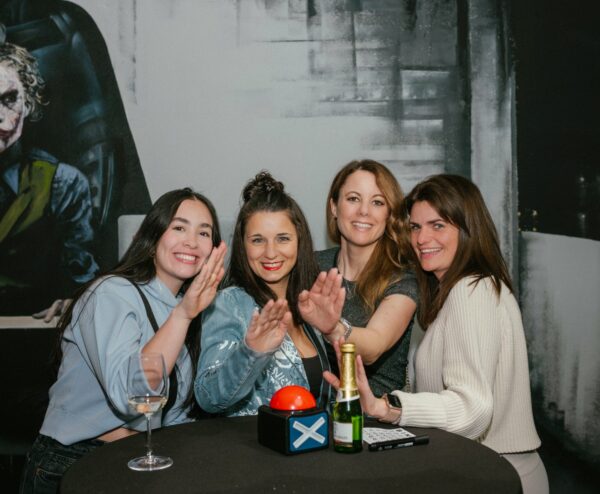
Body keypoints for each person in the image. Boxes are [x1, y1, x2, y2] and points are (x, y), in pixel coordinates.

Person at [325, 174, 548, 494]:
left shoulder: (472, 291)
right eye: (416, 227)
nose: (422, 238)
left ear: (468, 228)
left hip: (499, 475)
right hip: (482, 469)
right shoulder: (461, 291)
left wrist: (387, 408)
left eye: (438, 225)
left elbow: (473, 408)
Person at [19, 188, 227, 494]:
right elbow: (132, 396)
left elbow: (176, 412)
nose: (192, 242)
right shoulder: (110, 293)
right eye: (179, 227)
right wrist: (183, 315)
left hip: (140, 459)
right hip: (76, 461)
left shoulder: (186, 306)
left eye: (204, 233)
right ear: (154, 235)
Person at [195, 172, 343, 416]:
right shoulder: (229, 303)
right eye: (257, 240)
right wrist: (250, 352)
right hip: (255, 450)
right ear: (243, 246)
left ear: (299, 241)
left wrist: (333, 332)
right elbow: (208, 396)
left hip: (313, 447)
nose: (271, 252)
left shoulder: (311, 304)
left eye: (282, 238)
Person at [0, 39, 99, 317]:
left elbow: (81, 277)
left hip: (33, 334)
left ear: (28, 103)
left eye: (9, 99)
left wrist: (75, 302)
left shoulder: (62, 183)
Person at [314, 159, 418, 397]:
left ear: (389, 214)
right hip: (312, 418)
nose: (364, 211)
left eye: (377, 202)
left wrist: (332, 327)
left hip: (376, 422)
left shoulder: (402, 278)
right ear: (334, 206)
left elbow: (373, 346)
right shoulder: (310, 265)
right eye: (353, 198)